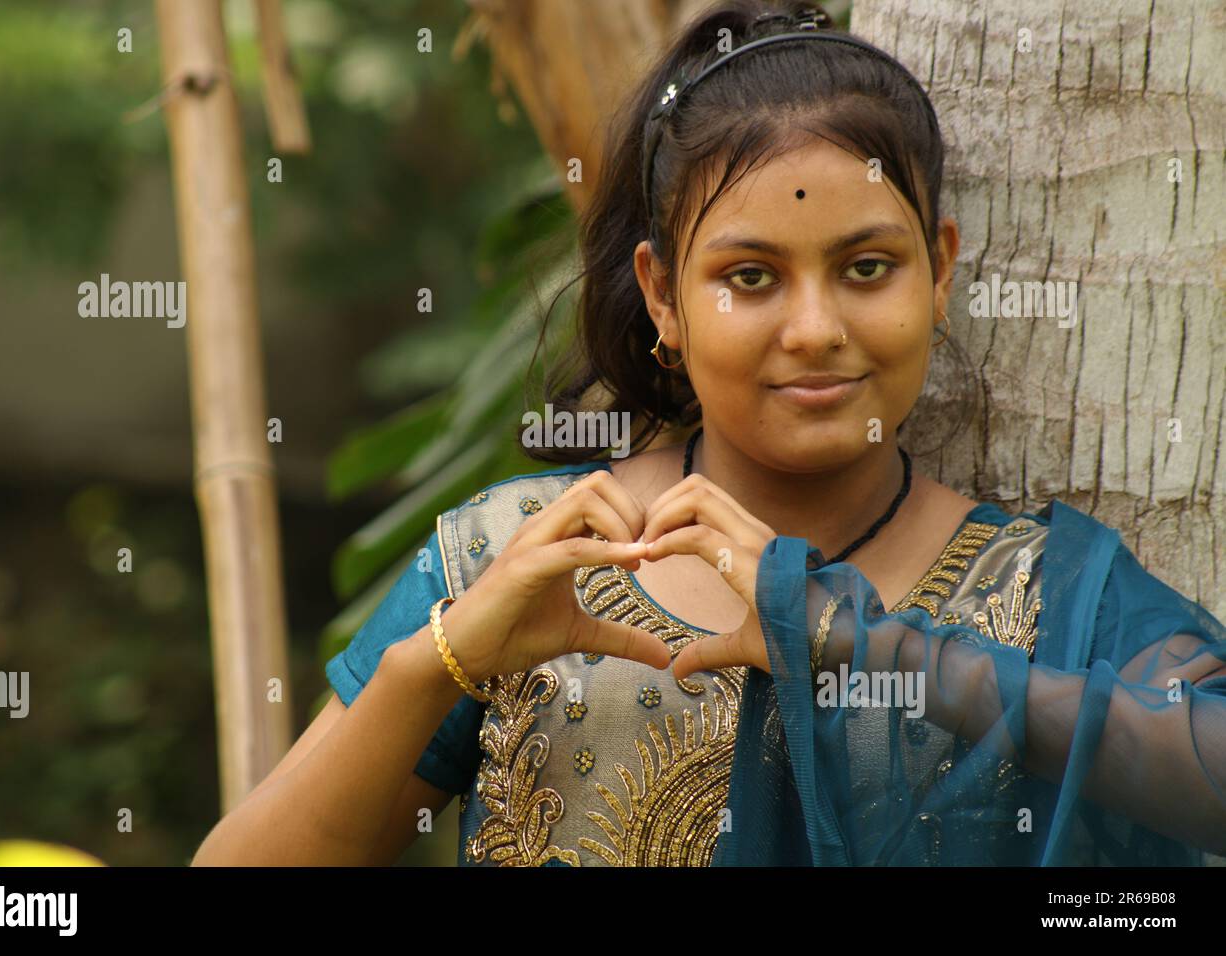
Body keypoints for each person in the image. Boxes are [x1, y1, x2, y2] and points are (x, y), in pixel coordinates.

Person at [190, 0, 1226, 867]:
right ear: (663, 296)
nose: (814, 329)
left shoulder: (1047, 590)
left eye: (867, 268)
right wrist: (438, 664)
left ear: (939, 270)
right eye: (749, 277)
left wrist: (852, 640)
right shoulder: (518, 562)